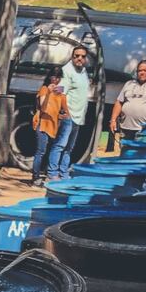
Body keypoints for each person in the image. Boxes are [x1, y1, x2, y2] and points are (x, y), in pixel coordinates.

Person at [47, 45, 91, 180]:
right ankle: (52, 173)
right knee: (60, 144)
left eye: (83, 56)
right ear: (72, 57)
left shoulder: (83, 71)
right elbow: (61, 93)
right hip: (69, 114)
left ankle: (63, 172)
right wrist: (65, 112)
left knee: (69, 147)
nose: (79, 58)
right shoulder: (66, 71)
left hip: (79, 115)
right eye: (76, 56)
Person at [110, 59, 146, 142]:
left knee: (141, 153)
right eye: (139, 70)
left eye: (145, 70)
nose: (142, 73)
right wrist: (113, 120)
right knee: (125, 152)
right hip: (126, 128)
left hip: (144, 130)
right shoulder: (129, 84)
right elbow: (119, 102)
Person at [31, 66, 68, 186]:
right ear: (49, 77)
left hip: (53, 125)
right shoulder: (44, 89)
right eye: (53, 76)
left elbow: (61, 106)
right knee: (40, 151)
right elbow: (43, 107)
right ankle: (35, 177)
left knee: (49, 151)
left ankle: (47, 174)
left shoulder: (60, 91)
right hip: (42, 124)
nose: (55, 80)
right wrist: (48, 92)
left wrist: (64, 113)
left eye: (58, 77)